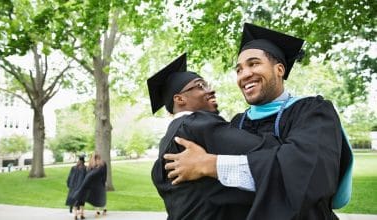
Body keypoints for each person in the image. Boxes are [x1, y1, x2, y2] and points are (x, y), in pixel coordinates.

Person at [164, 23, 353, 220]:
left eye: (254, 64)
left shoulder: (313, 112)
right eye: (239, 70)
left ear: (279, 69)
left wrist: (212, 165)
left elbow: (307, 176)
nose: (244, 74)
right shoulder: (237, 123)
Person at [148, 53, 280, 220]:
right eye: (200, 86)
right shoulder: (196, 124)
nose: (211, 90)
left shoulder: (168, 140)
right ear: (180, 99)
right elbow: (266, 150)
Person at [72, 152, 107, 217]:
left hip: (91, 183)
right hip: (95, 183)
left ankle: (78, 214)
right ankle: (100, 210)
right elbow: (103, 175)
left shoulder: (94, 164)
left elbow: (88, 175)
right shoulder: (101, 164)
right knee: (99, 196)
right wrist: (104, 182)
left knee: (94, 196)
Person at [66, 155, 87, 220]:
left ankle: (75, 215)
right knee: (82, 202)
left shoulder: (73, 168)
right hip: (82, 187)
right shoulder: (85, 168)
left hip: (73, 187)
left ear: (78, 161)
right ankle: (81, 215)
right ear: (84, 161)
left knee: (74, 201)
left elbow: (69, 177)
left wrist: (69, 185)